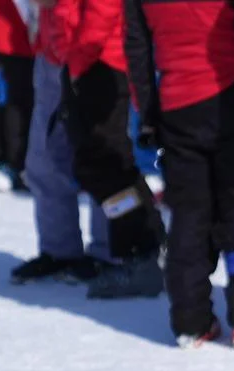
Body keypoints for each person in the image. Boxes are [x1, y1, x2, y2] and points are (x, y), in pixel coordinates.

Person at [124, 0, 234, 348]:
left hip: (177, 106)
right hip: (233, 99)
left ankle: (191, 323)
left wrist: (149, 114)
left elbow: (136, 47)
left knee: (188, 216)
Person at [52, 0, 163, 298]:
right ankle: (145, 247)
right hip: (89, 59)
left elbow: (103, 8)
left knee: (103, 165)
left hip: (100, 62)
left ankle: (143, 253)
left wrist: (79, 58)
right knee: (101, 165)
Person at [8, 0, 109, 285]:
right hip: (52, 51)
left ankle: (111, 252)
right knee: (44, 159)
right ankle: (59, 251)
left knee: (103, 159)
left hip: (96, 52)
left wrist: (90, 47)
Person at [0, 0, 33, 191]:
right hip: (14, 39)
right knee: (17, 102)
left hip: (13, 37)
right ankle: (15, 162)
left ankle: (12, 161)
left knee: (13, 101)